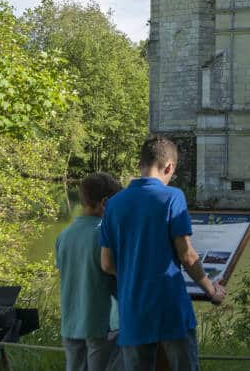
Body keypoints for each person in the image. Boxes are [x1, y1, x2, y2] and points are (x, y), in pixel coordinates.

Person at [100, 136, 226, 371]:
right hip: (170, 306)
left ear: (140, 163)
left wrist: (134, 273)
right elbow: (187, 255)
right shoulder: (172, 197)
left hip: (133, 308)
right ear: (170, 167)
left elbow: (106, 264)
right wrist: (212, 290)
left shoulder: (114, 204)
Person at [56, 172, 123, 371]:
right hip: (101, 323)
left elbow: (66, 276)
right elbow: (116, 280)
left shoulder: (63, 235)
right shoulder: (105, 237)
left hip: (70, 322)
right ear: (105, 202)